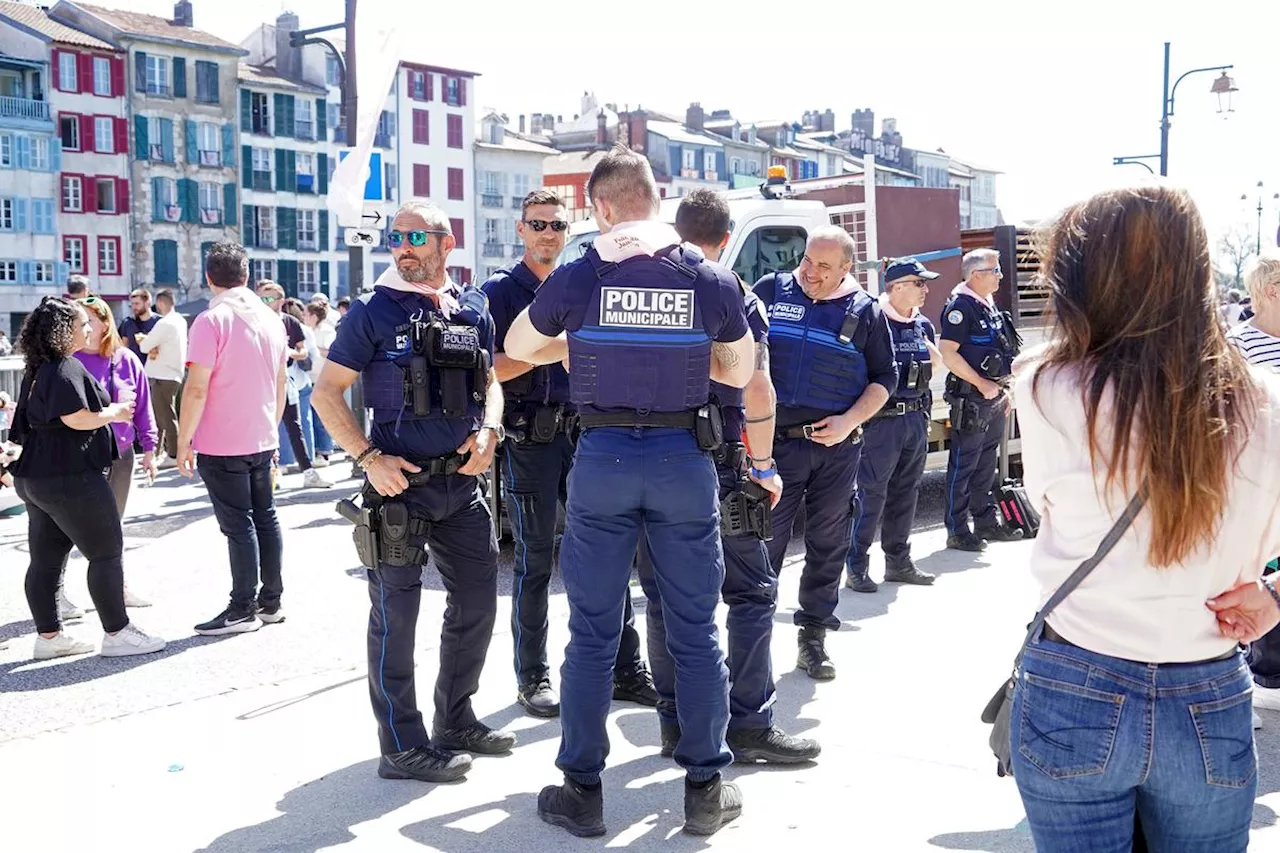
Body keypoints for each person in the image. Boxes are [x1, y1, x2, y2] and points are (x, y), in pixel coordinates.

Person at [1009, 185, 1280, 852]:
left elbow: (1046, 499)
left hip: (1075, 673)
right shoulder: (1266, 403)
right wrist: (1274, 596)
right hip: (1208, 679)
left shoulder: (1044, 384)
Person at [505, 145, 755, 837]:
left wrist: (589, 345)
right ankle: (706, 785)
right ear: (655, 197)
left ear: (601, 207)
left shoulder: (583, 273)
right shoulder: (706, 275)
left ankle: (581, 791)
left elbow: (521, 345)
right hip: (682, 458)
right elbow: (737, 368)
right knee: (695, 628)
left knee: (590, 630)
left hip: (604, 457)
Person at [312, 201, 516, 785]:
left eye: (414, 236)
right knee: (395, 620)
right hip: (398, 491)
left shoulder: (471, 308)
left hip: (461, 486)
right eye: (395, 236)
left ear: (445, 244)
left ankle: (456, 720)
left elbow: (492, 382)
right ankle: (401, 746)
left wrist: (490, 429)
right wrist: (368, 458)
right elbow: (328, 393)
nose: (402, 246)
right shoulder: (373, 313)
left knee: (478, 605)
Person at [639, 188, 820, 764]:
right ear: (724, 241)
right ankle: (747, 723)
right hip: (722, 461)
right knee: (750, 592)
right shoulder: (735, 294)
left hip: (650, 462)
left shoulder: (638, 289)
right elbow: (757, 385)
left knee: (666, 599)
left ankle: (675, 723)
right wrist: (764, 467)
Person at [483, 189, 656, 719]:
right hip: (530, 440)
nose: (548, 235)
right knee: (536, 561)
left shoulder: (580, 282)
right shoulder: (498, 292)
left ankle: (627, 670)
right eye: (538, 225)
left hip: (587, 433)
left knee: (608, 554)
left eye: (557, 226)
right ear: (520, 230)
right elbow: (488, 366)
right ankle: (531, 677)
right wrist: (552, 349)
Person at [753, 227, 897, 680]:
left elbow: (884, 380)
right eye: (807, 262)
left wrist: (850, 421)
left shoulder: (866, 312)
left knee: (827, 544)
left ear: (846, 270)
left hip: (836, 450)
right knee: (761, 545)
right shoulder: (769, 291)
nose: (811, 274)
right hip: (773, 448)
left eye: (824, 267)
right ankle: (749, 643)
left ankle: (812, 638)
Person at [8, 297, 166, 659]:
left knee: (46, 558)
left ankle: (49, 638)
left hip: (37, 476)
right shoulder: (64, 367)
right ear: (63, 331)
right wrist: (114, 412)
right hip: (70, 475)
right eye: (80, 325)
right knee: (106, 552)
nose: (87, 329)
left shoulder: (39, 369)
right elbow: (76, 417)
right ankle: (117, 633)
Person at [177, 243, 290, 637]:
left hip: (222, 440)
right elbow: (280, 386)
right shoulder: (272, 320)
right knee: (265, 517)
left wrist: (182, 441)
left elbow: (195, 388)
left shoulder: (211, 320)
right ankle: (270, 601)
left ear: (210, 278)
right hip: (261, 434)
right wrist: (271, 431)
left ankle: (242, 607)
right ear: (246, 275)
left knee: (238, 526)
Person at [845, 259, 945, 593]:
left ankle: (899, 562)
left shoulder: (922, 326)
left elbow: (931, 372)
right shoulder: (871, 320)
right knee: (870, 495)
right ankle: (856, 565)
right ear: (897, 286)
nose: (926, 289)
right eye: (919, 283)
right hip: (881, 422)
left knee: (907, 492)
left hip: (914, 418)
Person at [73, 295, 158, 610]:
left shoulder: (126, 359)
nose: (83, 327)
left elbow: (144, 408)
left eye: (89, 320)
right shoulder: (69, 361)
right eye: (79, 321)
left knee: (113, 525)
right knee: (69, 526)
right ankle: (60, 595)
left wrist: (150, 448)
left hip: (120, 454)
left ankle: (118, 589)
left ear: (105, 323)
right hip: (78, 455)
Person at [939, 249, 1024, 551]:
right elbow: (948, 352)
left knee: (987, 462)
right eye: (995, 270)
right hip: (972, 397)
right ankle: (957, 529)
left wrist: (1004, 389)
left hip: (994, 396)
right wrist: (981, 384)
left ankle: (986, 522)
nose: (1000, 275)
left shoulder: (987, 306)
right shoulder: (961, 307)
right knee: (964, 464)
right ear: (976, 275)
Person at [1227, 251, 1280, 724]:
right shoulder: (1236, 346)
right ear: (1271, 291)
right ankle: (1253, 678)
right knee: (1255, 572)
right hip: (1257, 481)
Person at [257, 281, 328, 489]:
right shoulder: (256, 323)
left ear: (280, 301)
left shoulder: (290, 322)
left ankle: (308, 471)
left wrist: (289, 353)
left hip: (286, 380)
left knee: (294, 427)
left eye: (268, 298)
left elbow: (303, 351)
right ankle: (271, 472)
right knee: (266, 428)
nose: (263, 302)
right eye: (261, 298)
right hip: (262, 382)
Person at [137, 288, 187, 469]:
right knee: (165, 415)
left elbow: (144, 347)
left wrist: (144, 340)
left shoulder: (165, 323)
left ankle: (172, 454)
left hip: (162, 375)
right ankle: (163, 453)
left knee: (165, 417)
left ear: (160, 303)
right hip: (173, 373)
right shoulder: (179, 321)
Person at [302, 302, 337, 465]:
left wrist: (314, 349)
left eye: (306, 314)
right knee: (312, 417)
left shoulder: (327, 331)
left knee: (322, 417)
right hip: (311, 377)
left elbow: (333, 353)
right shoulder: (306, 331)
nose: (303, 317)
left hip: (323, 378)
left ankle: (325, 450)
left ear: (314, 316)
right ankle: (317, 450)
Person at [118, 288, 160, 365]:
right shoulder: (127, 322)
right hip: (133, 367)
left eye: (137, 304)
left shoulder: (159, 322)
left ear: (147, 303)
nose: (134, 307)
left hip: (155, 369)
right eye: (132, 304)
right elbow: (123, 347)